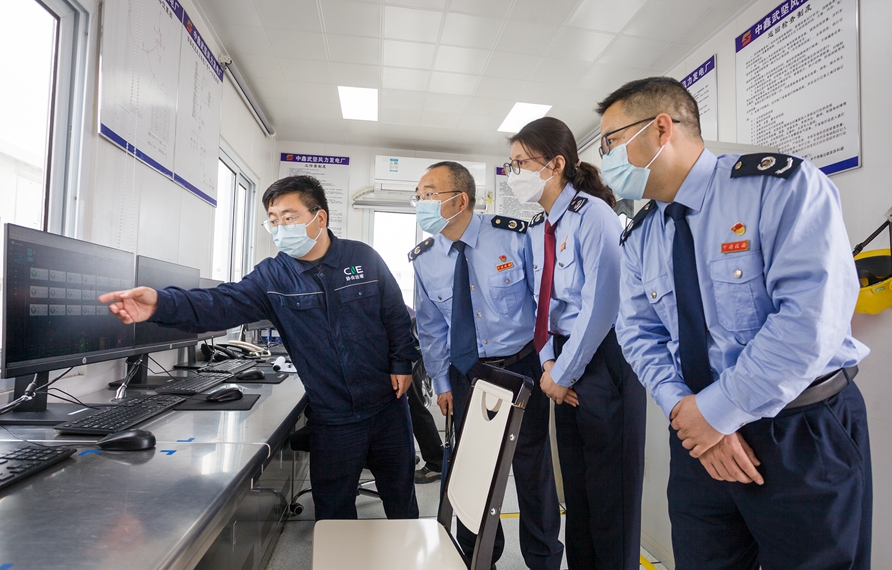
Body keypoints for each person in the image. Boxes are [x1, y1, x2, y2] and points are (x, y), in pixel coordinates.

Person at [598, 77, 872, 569]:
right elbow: (638, 334)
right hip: (698, 442)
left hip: (799, 431)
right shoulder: (641, 235)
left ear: (660, 129)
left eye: (611, 142)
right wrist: (686, 409)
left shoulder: (780, 187)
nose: (605, 160)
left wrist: (718, 412)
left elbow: (810, 320)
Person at [100, 175, 420, 522]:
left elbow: (395, 315)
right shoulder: (273, 276)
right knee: (333, 510)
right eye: (274, 220)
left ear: (320, 217)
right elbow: (219, 303)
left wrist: (402, 362)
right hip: (334, 415)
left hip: (388, 405)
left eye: (289, 217)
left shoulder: (364, 258)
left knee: (401, 496)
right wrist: (162, 304)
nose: (280, 227)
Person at [508, 117, 646, 570]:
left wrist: (562, 372)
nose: (514, 174)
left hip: (603, 358)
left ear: (556, 164)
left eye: (521, 163)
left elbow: (601, 303)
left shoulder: (594, 215)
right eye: (511, 164)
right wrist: (548, 364)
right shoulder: (539, 226)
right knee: (579, 492)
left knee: (612, 497)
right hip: (563, 360)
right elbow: (541, 301)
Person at [411, 161, 563, 570]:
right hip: (467, 376)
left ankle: (544, 559)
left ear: (460, 200)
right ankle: (478, 559)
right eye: (418, 196)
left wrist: (549, 363)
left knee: (532, 469)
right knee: (475, 470)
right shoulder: (425, 259)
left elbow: (544, 305)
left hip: (520, 368)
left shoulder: (513, 237)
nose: (421, 202)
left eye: (429, 194)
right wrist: (442, 382)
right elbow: (431, 328)